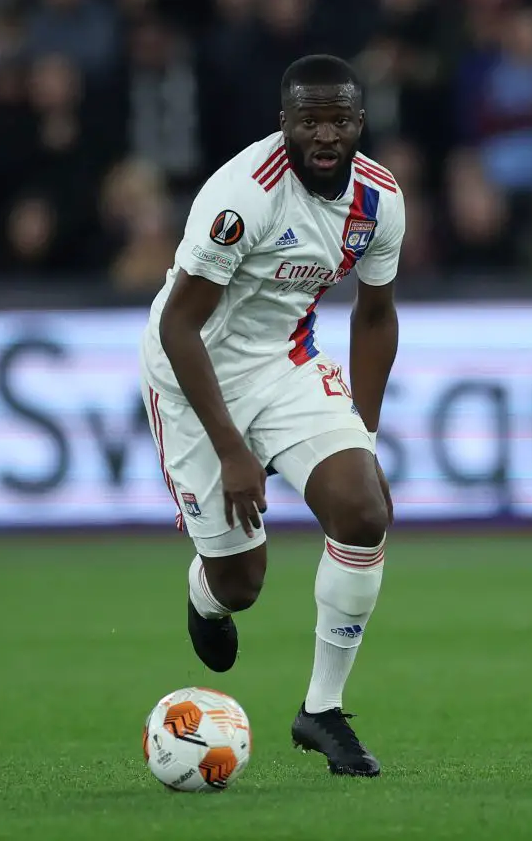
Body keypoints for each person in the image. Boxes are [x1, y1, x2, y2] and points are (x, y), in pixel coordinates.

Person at [138, 54, 405, 777]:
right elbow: (179, 327)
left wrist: (366, 436)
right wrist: (232, 452)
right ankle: (206, 592)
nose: (326, 134)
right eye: (309, 119)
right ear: (282, 122)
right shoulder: (242, 197)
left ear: (359, 122)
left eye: (340, 119)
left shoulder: (379, 200)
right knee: (242, 585)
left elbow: (376, 317)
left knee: (363, 510)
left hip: (285, 364)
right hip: (193, 371)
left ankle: (322, 710)